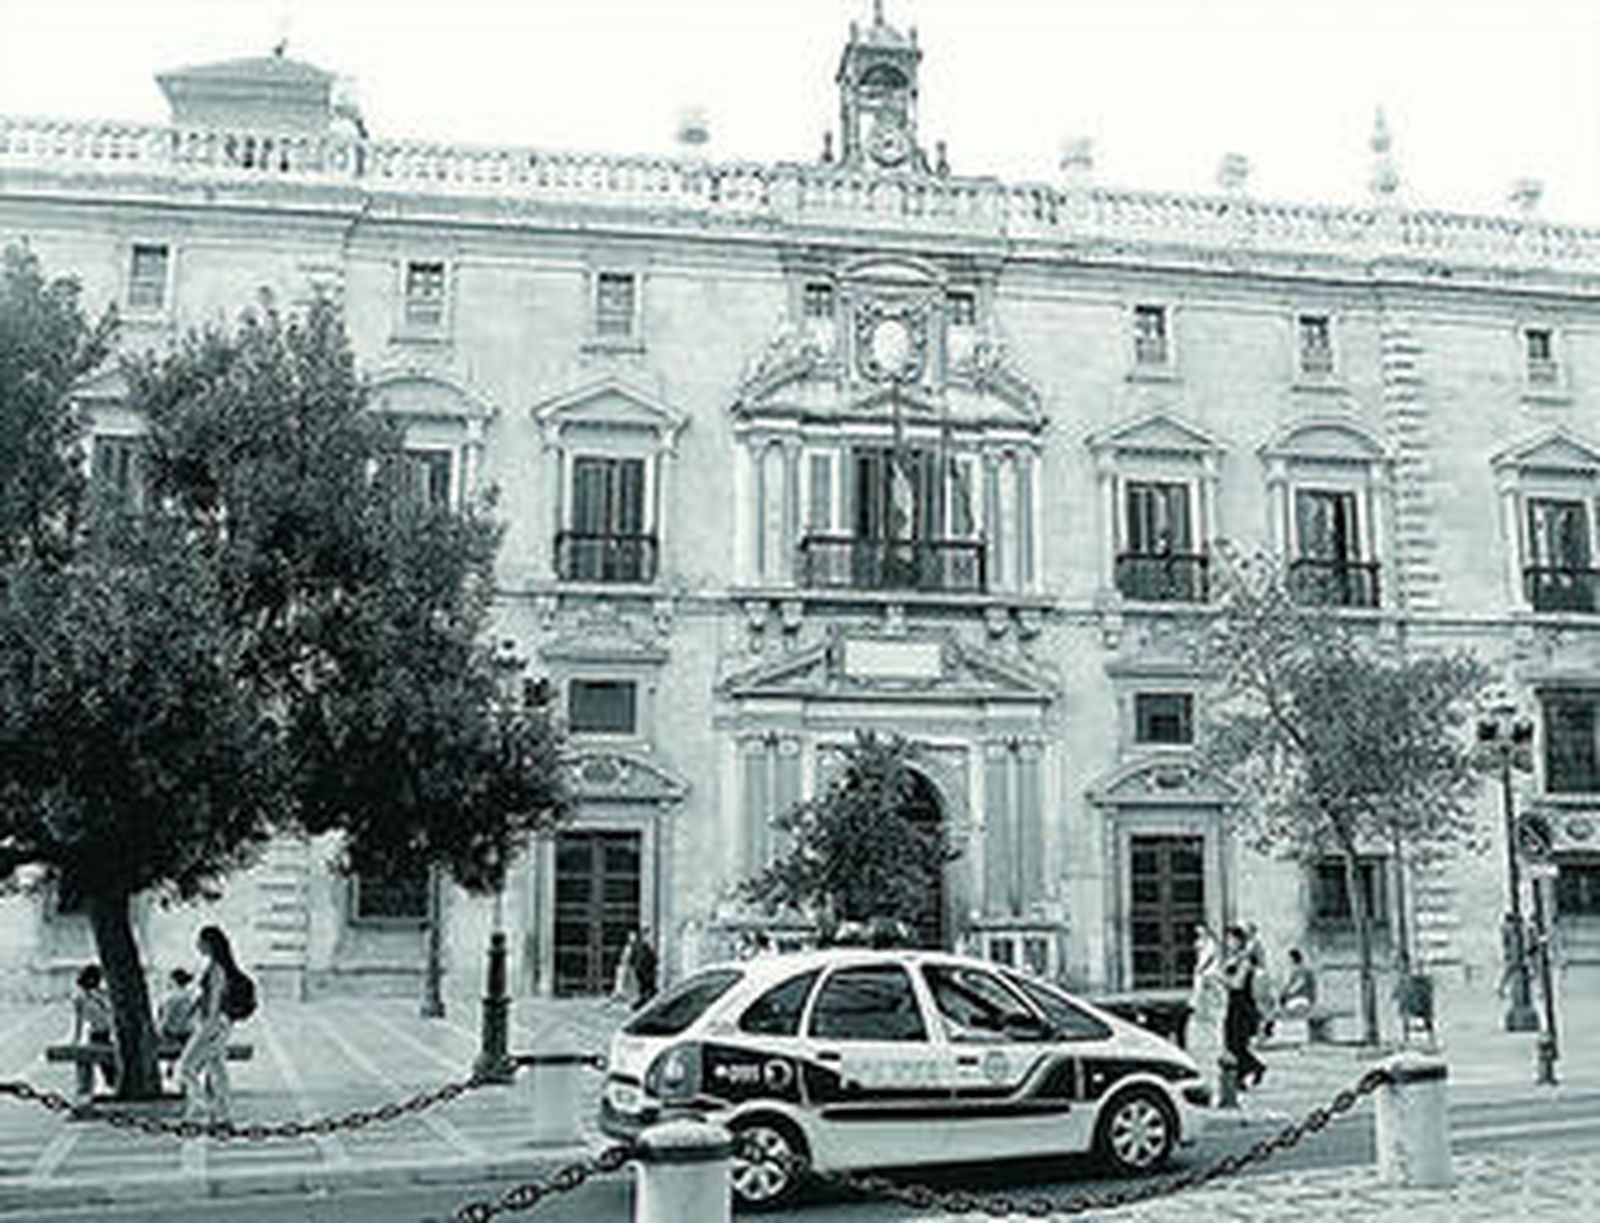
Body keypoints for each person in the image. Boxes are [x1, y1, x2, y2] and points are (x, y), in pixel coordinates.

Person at [178, 926, 238, 1123]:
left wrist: (206, 1030)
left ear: (209, 943)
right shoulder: (216, 966)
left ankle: (202, 1107)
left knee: (186, 1068)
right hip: (218, 1024)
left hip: (212, 1024)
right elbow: (206, 997)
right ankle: (223, 1114)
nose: (197, 945)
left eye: (200, 941)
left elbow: (214, 1002)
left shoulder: (217, 969)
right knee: (217, 1071)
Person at [1221, 924, 1267, 1090]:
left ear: (1239, 941)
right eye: (1228, 940)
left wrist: (1220, 979)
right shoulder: (1234, 959)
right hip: (1233, 1004)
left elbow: (1237, 984)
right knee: (1231, 1042)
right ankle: (1243, 1076)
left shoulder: (1245, 961)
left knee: (1237, 1043)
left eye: (1232, 940)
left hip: (1243, 1006)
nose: (1228, 943)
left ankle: (1253, 1069)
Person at [69, 965, 115, 1097]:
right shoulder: (81, 997)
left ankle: (92, 1088)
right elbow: (79, 1019)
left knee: (108, 1065)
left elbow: (79, 1020)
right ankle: (86, 1090)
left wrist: (76, 1039)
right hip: (98, 1032)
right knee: (105, 1064)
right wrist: (76, 1039)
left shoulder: (101, 993)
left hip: (103, 1032)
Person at [157, 968, 198, 1046]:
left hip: (174, 1034)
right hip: (185, 1032)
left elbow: (166, 1017)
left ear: (174, 981)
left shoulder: (173, 997)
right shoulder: (187, 997)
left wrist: (160, 1030)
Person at [1278, 948, 1317, 1019]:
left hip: (1304, 999)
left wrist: (1286, 994)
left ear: (1293, 959)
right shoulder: (1297, 970)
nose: (1287, 962)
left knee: (1283, 1010)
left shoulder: (1302, 970)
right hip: (1301, 998)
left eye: (1288, 960)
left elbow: (1298, 984)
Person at [633, 929, 659, 1005]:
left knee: (648, 988)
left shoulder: (643, 946)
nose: (648, 937)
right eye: (646, 935)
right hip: (644, 971)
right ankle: (643, 1002)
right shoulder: (641, 946)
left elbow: (654, 959)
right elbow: (636, 958)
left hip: (646, 971)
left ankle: (645, 1001)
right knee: (645, 987)